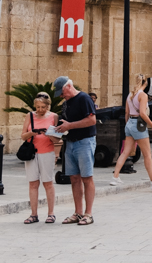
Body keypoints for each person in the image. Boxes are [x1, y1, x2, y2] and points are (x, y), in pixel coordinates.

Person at [53, 76, 97, 225]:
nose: (61, 96)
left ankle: (88, 214)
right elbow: (66, 122)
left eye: (62, 92)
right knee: (74, 178)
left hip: (84, 142)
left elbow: (92, 120)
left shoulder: (84, 98)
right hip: (70, 143)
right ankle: (78, 212)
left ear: (69, 86)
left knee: (87, 177)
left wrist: (69, 126)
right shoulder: (66, 103)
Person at [110, 74, 152, 188]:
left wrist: (128, 125)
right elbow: (142, 113)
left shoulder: (130, 95)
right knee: (147, 154)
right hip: (138, 124)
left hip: (130, 123)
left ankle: (115, 177)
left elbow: (127, 112)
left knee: (125, 152)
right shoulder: (143, 95)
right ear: (145, 83)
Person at [21, 93, 60, 223]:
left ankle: (51, 213)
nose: (40, 110)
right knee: (33, 183)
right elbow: (23, 136)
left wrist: (48, 134)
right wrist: (32, 133)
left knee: (48, 183)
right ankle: (33, 214)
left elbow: (57, 139)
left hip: (47, 152)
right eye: (37, 107)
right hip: (32, 153)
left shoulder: (54, 116)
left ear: (48, 106)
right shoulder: (29, 116)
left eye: (43, 107)